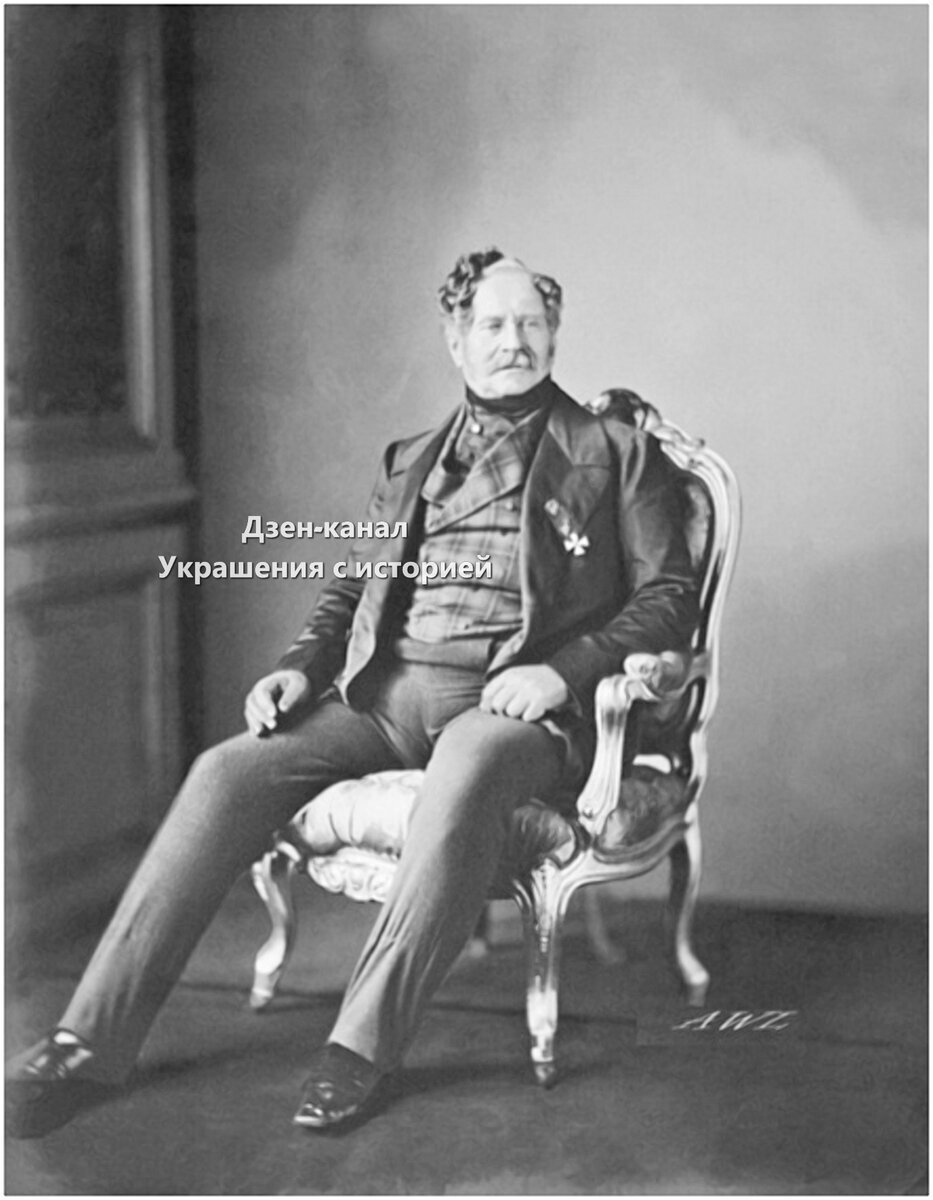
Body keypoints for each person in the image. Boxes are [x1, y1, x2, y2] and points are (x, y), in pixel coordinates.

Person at [6, 248, 698, 1138]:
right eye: (493, 325)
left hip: (513, 711)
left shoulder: (617, 454)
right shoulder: (409, 459)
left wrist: (559, 673)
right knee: (225, 771)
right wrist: (301, 664)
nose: (513, 342)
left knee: (470, 757)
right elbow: (350, 590)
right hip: (387, 698)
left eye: (530, 323)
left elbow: (669, 596)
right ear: (455, 340)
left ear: (554, 333)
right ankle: (86, 1042)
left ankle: (360, 1049)